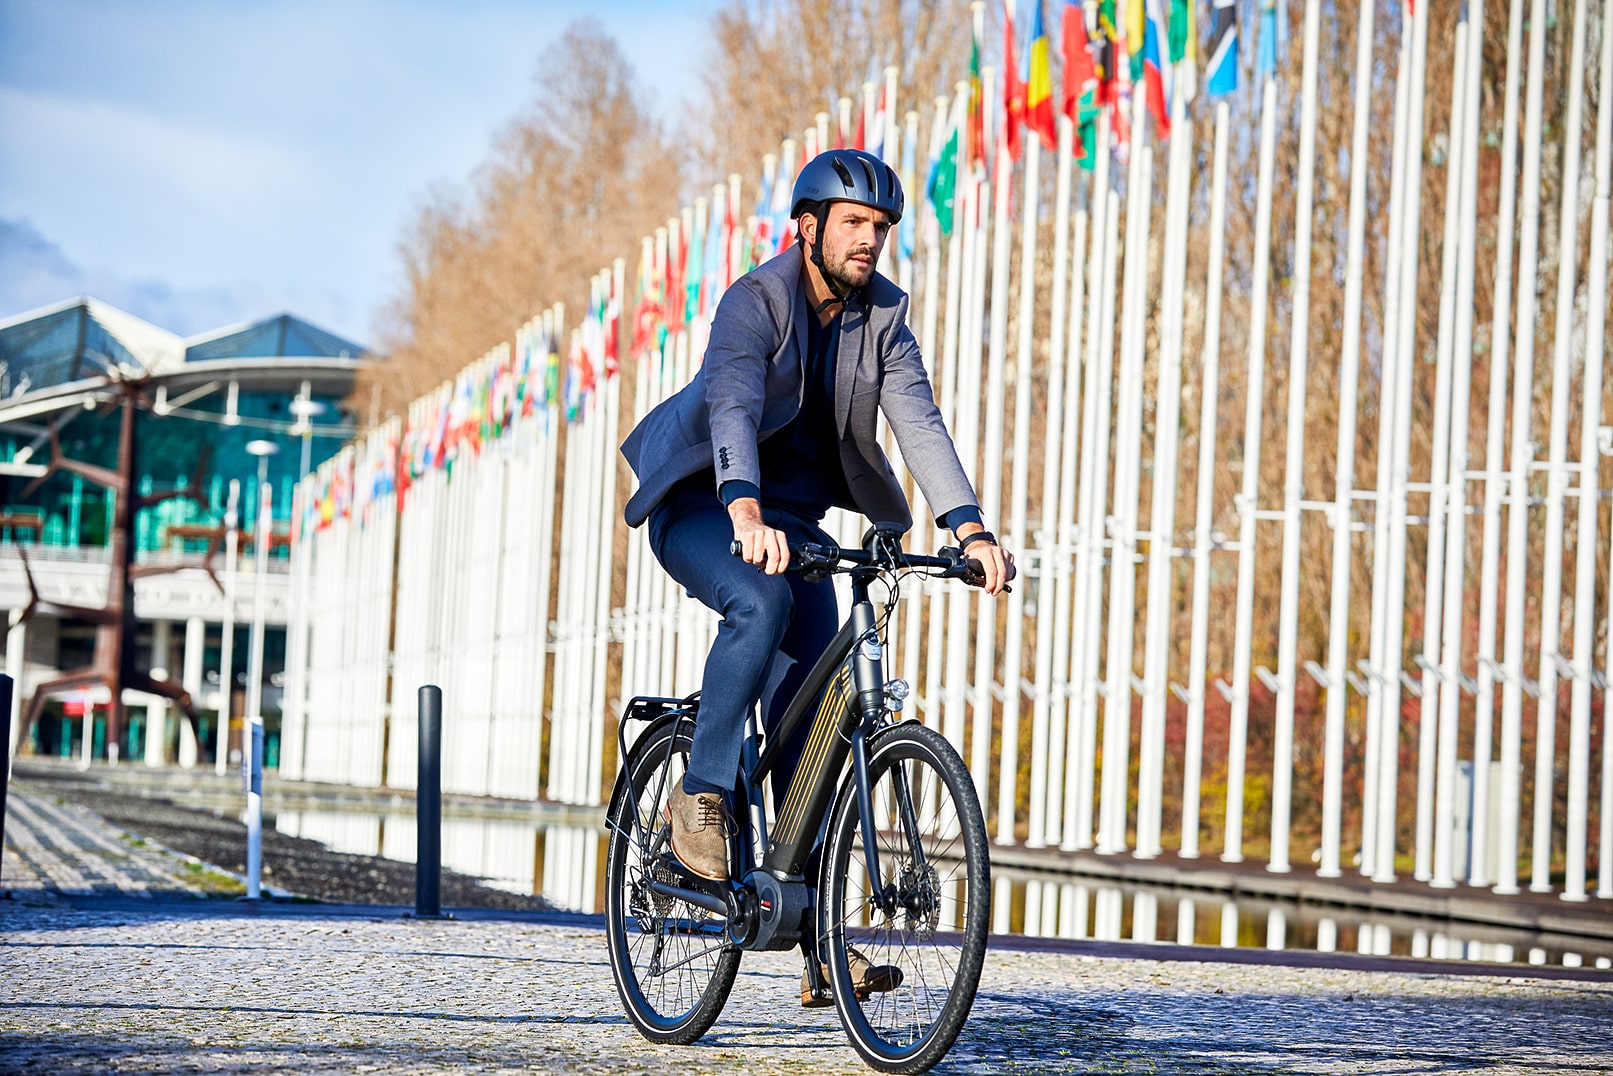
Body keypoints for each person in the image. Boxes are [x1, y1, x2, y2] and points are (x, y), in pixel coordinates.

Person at [619, 148, 1012, 1004]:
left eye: (881, 229)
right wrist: (744, 509)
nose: (871, 241)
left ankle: (822, 953)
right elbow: (730, 404)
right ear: (807, 228)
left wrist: (969, 528)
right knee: (754, 604)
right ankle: (700, 797)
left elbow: (919, 424)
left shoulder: (884, 321)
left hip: (796, 530)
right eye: (855, 224)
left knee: (813, 735)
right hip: (705, 506)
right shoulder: (753, 302)